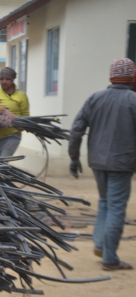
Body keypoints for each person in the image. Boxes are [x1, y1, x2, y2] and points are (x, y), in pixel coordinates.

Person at [69, 58, 136, 271]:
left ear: (111, 76)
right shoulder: (133, 100)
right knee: (116, 208)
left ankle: (100, 244)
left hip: (97, 162)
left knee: (105, 203)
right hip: (122, 163)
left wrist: (74, 157)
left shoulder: (95, 98)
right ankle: (110, 258)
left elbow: (76, 129)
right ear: (131, 77)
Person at [0, 67, 29, 157]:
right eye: (2, 79)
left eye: (7, 79)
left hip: (12, 135)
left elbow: (26, 117)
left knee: (4, 159)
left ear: (13, 80)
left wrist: (21, 125)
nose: (4, 81)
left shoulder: (22, 96)